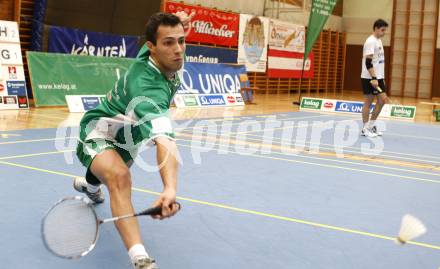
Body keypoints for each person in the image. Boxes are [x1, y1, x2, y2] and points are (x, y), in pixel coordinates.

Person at [73, 11, 194, 269]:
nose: (178, 50)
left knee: (110, 172)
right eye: (169, 43)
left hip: (130, 134)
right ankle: (140, 258)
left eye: (181, 41)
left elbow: (171, 34)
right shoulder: (147, 87)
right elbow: (166, 141)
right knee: (119, 177)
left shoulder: (161, 53)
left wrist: (180, 23)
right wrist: (170, 188)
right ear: (151, 48)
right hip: (100, 129)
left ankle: (89, 186)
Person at [360, 19, 389, 137]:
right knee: (368, 101)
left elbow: (379, 62)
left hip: (379, 77)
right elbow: (368, 63)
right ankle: (365, 128)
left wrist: (381, 78)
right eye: (382, 30)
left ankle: (371, 126)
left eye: (385, 30)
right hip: (369, 77)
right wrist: (374, 78)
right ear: (376, 28)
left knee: (382, 101)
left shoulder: (379, 40)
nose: (384, 32)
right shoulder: (370, 42)